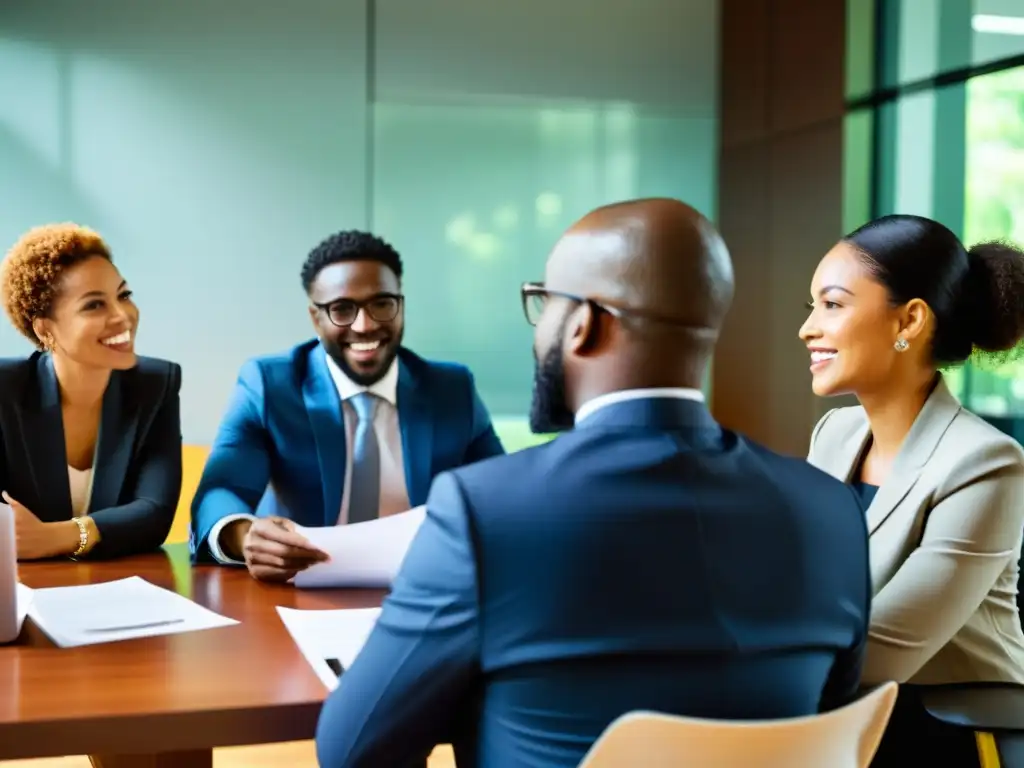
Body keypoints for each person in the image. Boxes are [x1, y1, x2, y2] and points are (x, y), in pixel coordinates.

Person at [315, 199, 871, 768]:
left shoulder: (485, 511)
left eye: (546, 304)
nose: (540, 328)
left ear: (585, 324)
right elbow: (825, 714)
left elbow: (352, 751)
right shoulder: (831, 508)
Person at [800, 214, 1024, 766]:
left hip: (952, 731)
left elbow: (882, 651)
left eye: (831, 305)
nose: (807, 328)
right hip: (850, 717)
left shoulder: (985, 463)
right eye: (812, 307)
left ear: (910, 319)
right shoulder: (834, 434)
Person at [190, 230, 505, 580]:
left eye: (382, 303)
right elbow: (221, 491)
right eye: (341, 309)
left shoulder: (452, 388)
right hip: (301, 585)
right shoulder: (270, 384)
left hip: (420, 582)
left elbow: (502, 492)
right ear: (316, 318)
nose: (364, 325)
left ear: (400, 305)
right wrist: (245, 536)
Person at [0, 224, 182, 560]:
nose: (122, 317)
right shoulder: (5, 389)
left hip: (116, 588)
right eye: (94, 305)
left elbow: (155, 513)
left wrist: (59, 536)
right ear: (46, 329)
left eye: (123, 295)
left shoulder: (156, 384)